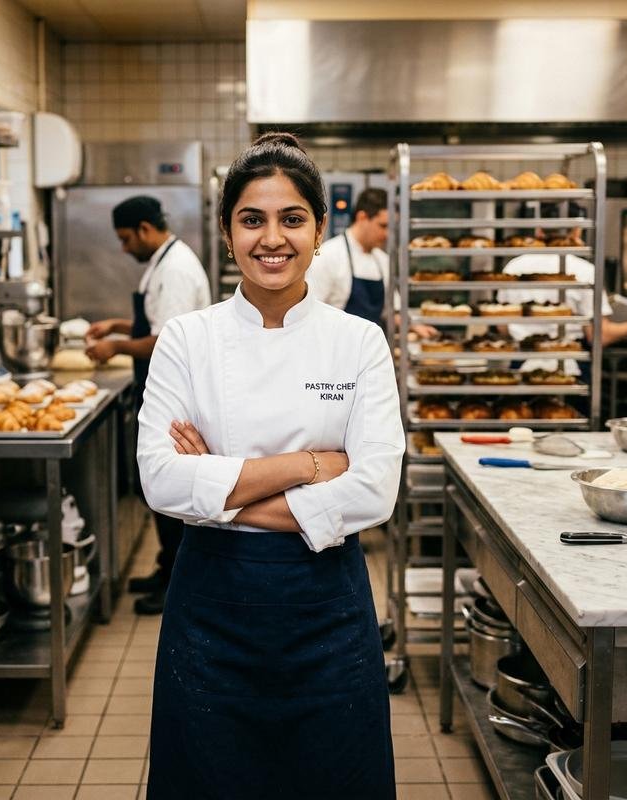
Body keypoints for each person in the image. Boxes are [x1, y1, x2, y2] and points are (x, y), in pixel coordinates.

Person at [137, 133, 403, 799]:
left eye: (292, 219)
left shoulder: (359, 342)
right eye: (251, 219)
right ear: (228, 233)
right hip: (211, 613)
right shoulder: (187, 339)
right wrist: (310, 464)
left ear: (319, 228)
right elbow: (160, 480)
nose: (272, 238)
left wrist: (220, 491)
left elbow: (374, 491)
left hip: (327, 612)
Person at [86, 195, 210, 615]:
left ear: (143, 228)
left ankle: (177, 579)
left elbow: (161, 340)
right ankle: (166, 568)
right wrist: (120, 325)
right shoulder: (163, 261)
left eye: (125, 239)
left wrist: (116, 345)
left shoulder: (174, 268)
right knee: (154, 488)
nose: (124, 249)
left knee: (168, 488)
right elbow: (156, 321)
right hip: (161, 389)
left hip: (175, 396)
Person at [496, 233, 627, 379]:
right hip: (570, 366)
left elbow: (502, 328)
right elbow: (599, 336)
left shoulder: (514, 267)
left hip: (522, 361)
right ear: (576, 232)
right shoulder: (584, 270)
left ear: (539, 231)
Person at [306, 186, 437, 337]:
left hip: (371, 349)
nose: (387, 234)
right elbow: (311, 314)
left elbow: (390, 312)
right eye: (383, 226)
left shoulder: (382, 260)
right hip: (335, 348)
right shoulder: (328, 256)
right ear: (362, 218)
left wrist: (414, 326)